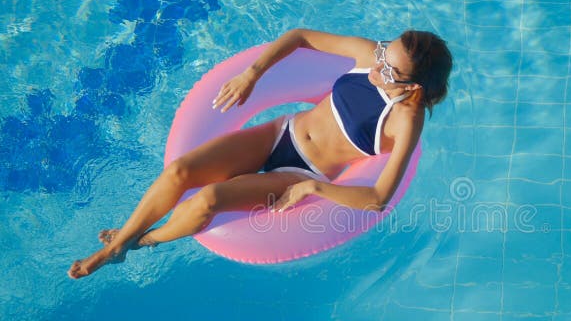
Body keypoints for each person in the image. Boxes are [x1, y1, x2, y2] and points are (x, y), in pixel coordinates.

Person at [68, 28, 453, 278]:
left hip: (305, 174)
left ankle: (140, 242)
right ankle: (121, 243)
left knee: (210, 199)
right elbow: (300, 36)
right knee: (180, 171)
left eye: (390, 69)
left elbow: (377, 198)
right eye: (386, 52)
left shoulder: (406, 120)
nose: (379, 64)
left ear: (414, 87)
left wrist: (315, 191)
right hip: (280, 133)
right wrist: (252, 74)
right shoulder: (371, 56)